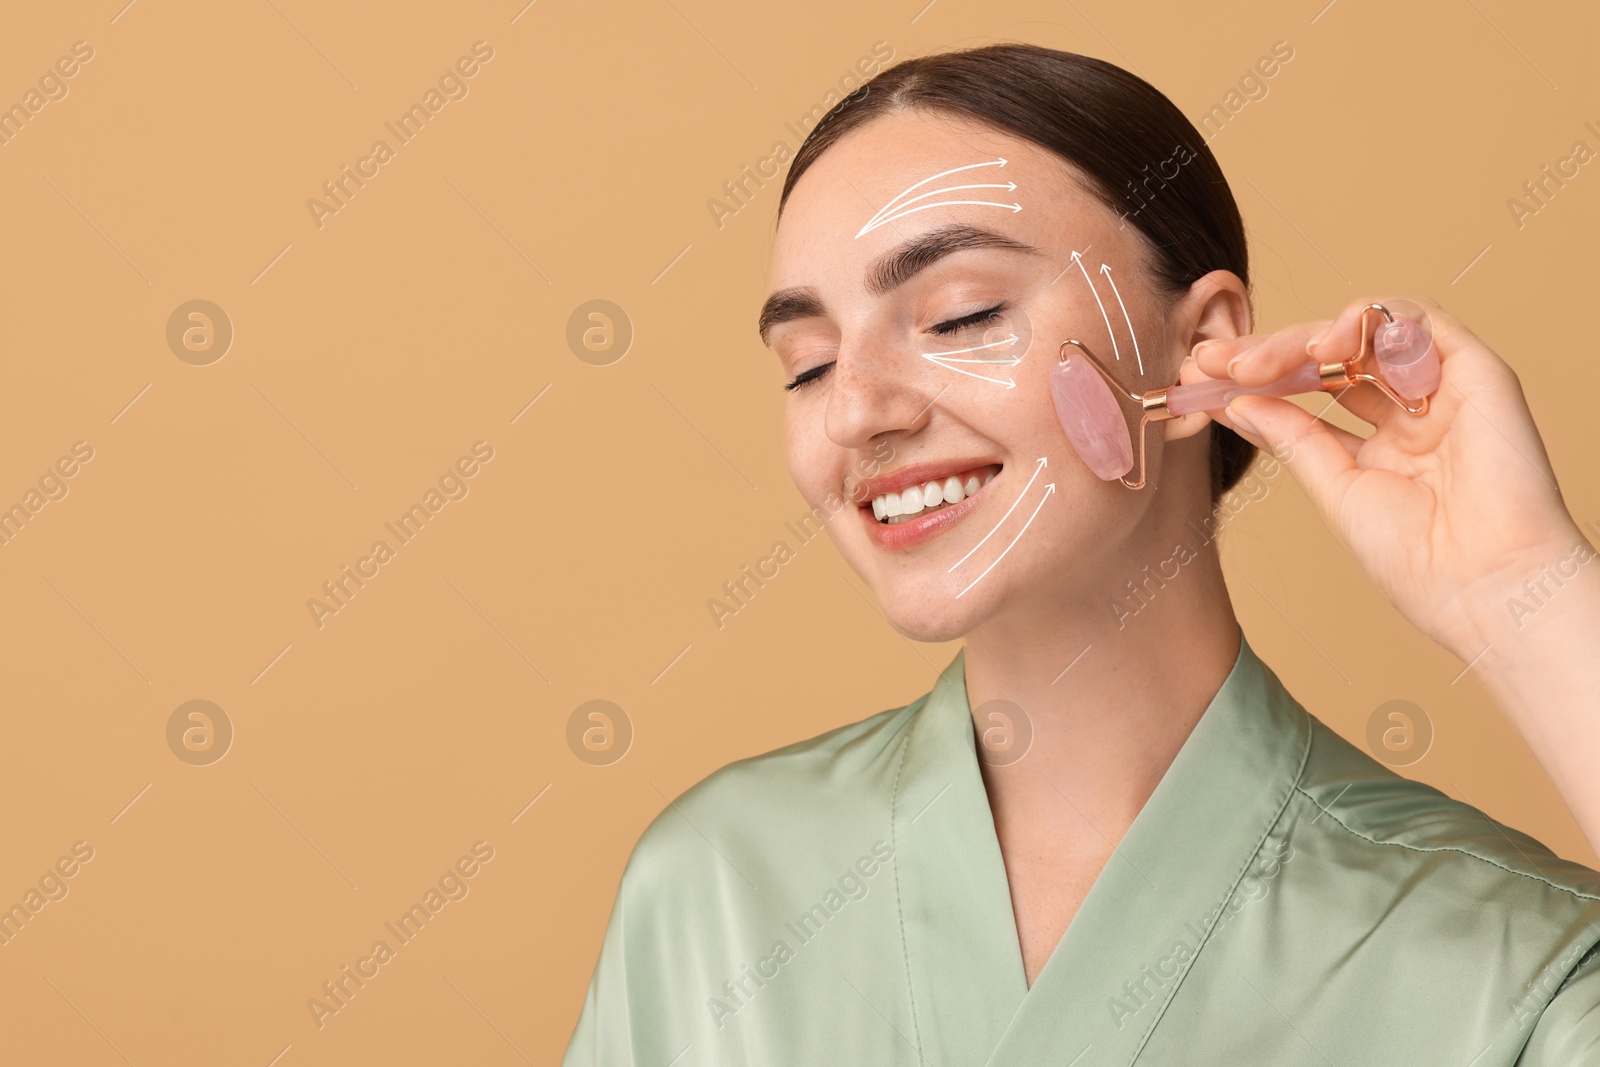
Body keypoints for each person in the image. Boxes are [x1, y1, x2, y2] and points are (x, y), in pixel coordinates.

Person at [561, 43, 1600, 1064]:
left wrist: (1524, 591)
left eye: (960, 314)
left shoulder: (1510, 955)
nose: (852, 411)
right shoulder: (715, 888)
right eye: (807, 362)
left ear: (1201, 346)